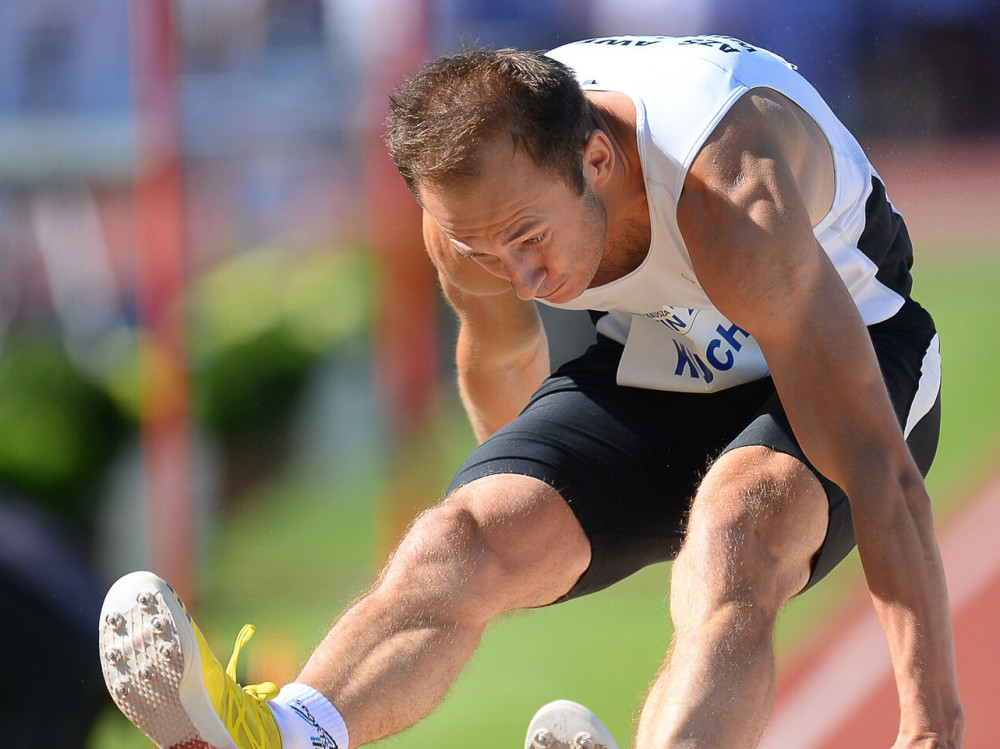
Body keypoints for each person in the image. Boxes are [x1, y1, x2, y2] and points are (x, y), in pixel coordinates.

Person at [99, 34, 964, 749]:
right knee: (456, 539)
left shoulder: (733, 200)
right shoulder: (474, 218)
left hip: (848, 342)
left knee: (736, 531)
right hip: (655, 351)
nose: (521, 276)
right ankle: (286, 731)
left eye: (526, 237)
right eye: (483, 250)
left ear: (597, 158)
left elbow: (882, 475)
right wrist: (528, 546)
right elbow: (503, 374)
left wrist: (931, 725)